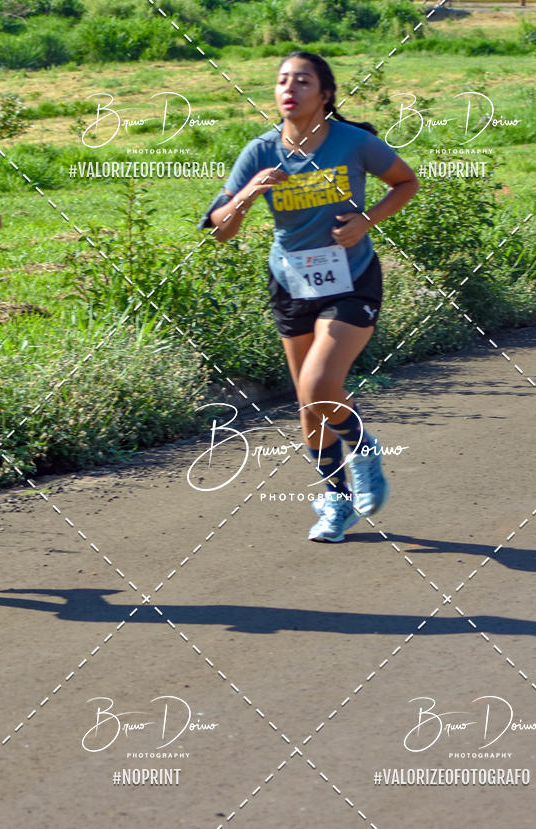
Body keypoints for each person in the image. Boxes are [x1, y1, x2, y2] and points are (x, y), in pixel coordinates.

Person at [200, 51, 419, 542]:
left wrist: (367, 220)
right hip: (292, 283)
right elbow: (220, 230)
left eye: (301, 81)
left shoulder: (353, 142)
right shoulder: (260, 151)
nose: (288, 89)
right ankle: (336, 503)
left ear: (324, 94)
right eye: (281, 81)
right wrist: (248, 194)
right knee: (307, 402)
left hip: (352, 278)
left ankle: (364, 449)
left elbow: (406, 182)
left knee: (319, 385)